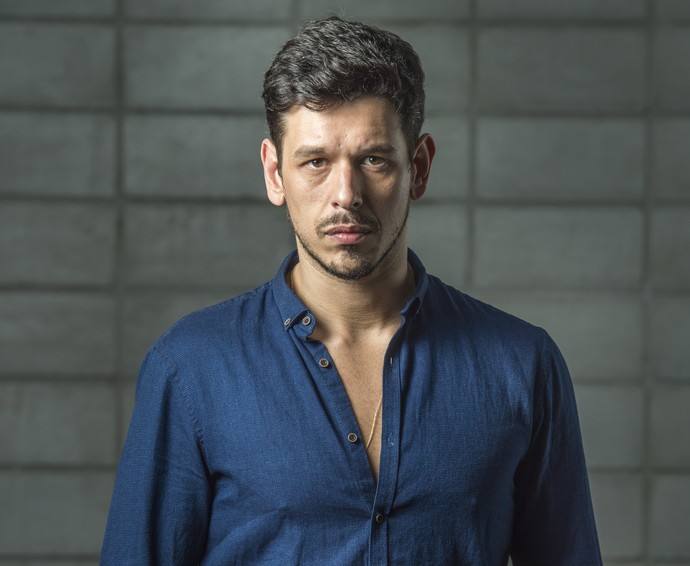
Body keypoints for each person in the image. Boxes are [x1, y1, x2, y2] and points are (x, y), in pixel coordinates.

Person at [101, 16, 602, 565]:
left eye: (373, 159)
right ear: (275, 174)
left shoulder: (523, 365)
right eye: (316, 162)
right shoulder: (191, 367)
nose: (346, 194)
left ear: (419, 167)